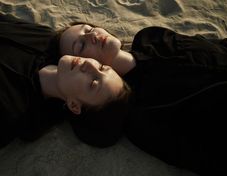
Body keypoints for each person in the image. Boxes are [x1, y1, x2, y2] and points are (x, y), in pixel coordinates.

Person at [59, 23, 227, 175]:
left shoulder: (150, 37)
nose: (92, 35)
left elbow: (221, 47)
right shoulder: (142, 115)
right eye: (80, 46)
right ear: (79, 63)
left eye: (88, 28)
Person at [0, 13, 131, 148]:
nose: (90, 65)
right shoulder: (47, 40)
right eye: (102, 67)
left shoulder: (12, 113)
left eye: (93, 83)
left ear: (74, 105)